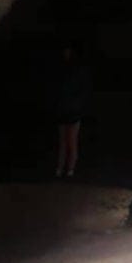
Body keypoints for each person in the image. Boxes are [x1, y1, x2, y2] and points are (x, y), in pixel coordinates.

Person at [55, 45, 90, 178]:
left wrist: (76, 106)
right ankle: (60, 168)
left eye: (68, 51)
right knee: (64, 142)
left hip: (73, 112)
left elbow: (82, 92)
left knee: (71, 141)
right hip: (63, 111)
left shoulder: (78, 72)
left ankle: (70, 169)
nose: (66, 54)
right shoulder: (62, 72)